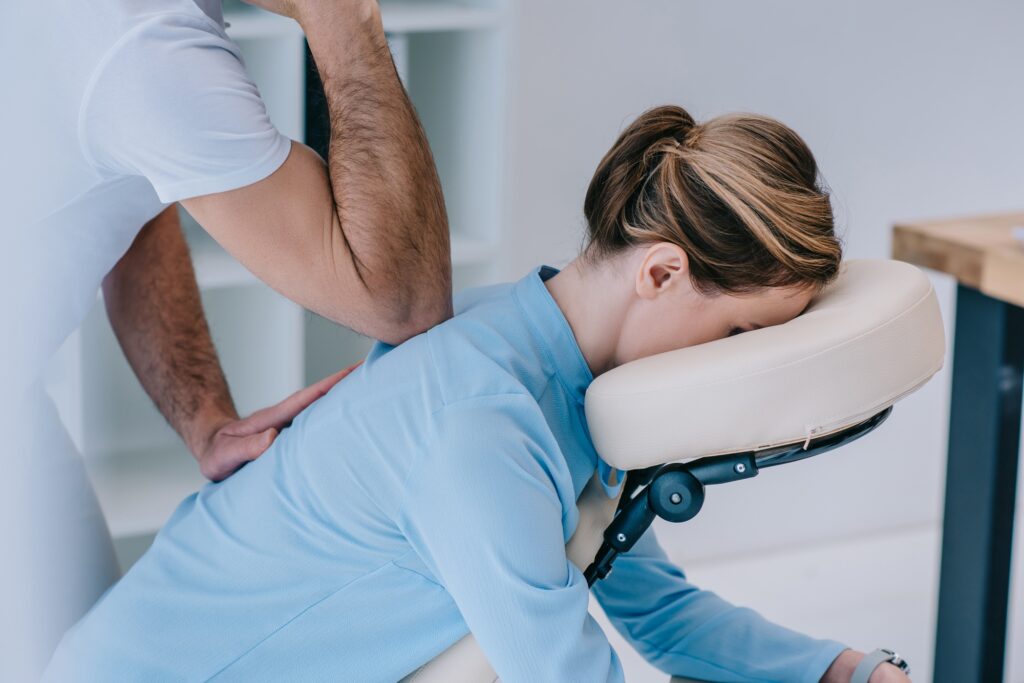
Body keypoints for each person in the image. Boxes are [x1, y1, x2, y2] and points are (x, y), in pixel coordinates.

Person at [45, 107, 908, 683]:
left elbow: (651, 604)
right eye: (739, 337)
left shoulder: (549, 368)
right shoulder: (483, 424)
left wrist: (844, 669)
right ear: (662, 271)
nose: (738, 366)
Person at [0, 0, 450, 677]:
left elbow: (133, 211)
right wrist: (343, 18)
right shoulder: (144, 45)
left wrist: (205, 418)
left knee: (93, 660)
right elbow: (406, 301)